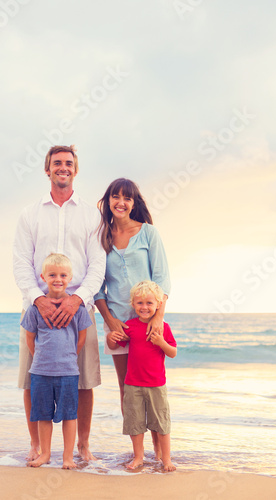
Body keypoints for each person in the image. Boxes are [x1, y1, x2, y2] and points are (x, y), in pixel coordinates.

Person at [13, 145, 105, 462]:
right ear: (47, 169)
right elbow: (21, 263)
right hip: (37, 307)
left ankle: (82, 446)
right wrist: (37, 299)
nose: (62, 167)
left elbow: (97, 264)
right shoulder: (30, 214)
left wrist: (77, 300)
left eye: (68, 163)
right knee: (31, 377)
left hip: (80, 307)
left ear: (75, 170)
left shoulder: (92, 215)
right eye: (57, 163)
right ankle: (37, 446)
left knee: (83, 379)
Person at [94, 178, 170, 459]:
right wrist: (110, 321)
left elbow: (162, 278)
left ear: (134, 202)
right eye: (115, 196)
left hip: (148, 323)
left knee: (151, 387)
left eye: (127, 198)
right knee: (128, 389)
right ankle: (138, 454)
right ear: (108, 201)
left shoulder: (148, 233)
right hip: (119, 325)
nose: (121, 202)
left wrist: (158, 318)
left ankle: (160, 453)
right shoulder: (101, 237)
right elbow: (97, 286)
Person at [22, 253, 92, 469]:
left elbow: (81, 338)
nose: (58, 279)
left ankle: (68, 457)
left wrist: (68, 356)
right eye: (52, 275)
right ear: (43, 277)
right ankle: (45, 454)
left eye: (63, 275)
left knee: (70, 415)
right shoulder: (35, 309)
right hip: (41, 372)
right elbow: (30, 338)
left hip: (68, 372)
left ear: (70, 277)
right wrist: (42, 358)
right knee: (43, 414)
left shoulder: (78, 309)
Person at [107, 280, 177, 471]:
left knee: (161, 423)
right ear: (133, 304)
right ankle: (138, 457)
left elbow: (172, 352)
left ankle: (166, 459)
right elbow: (116, 346)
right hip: (132, 384)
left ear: (158, 305)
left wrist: (161, 341)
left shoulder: (163, 327)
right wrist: (110, 338)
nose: (144, 307)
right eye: (140, 303)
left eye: (149, 303)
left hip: (156, 385)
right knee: (135, 423)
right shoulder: (130, 326)